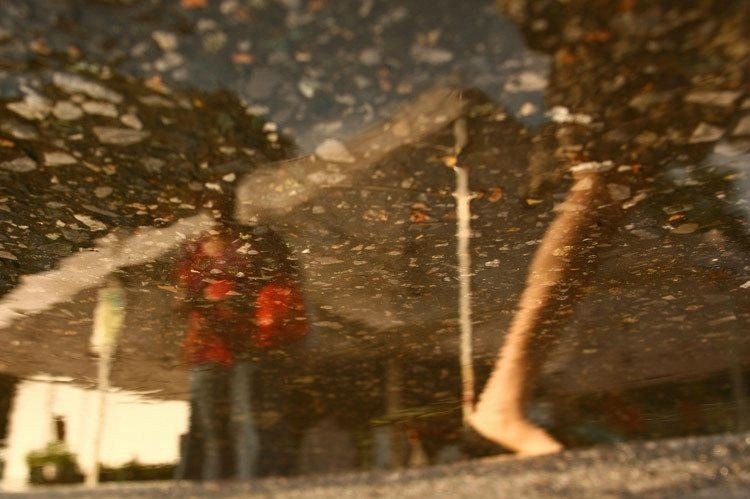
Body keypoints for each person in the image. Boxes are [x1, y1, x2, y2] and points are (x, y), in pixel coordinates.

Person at [176, 194, 308, 480]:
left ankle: (263, 479)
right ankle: (211, 482)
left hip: (255, 342)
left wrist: (235, 294)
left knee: (255, 416)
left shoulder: (256, 241)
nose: (213, 222)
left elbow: (280, 283)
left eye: (217, 214)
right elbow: (184, 297)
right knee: (210, 422)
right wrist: (208, 294)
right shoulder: (197, 250)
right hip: (215, 346)